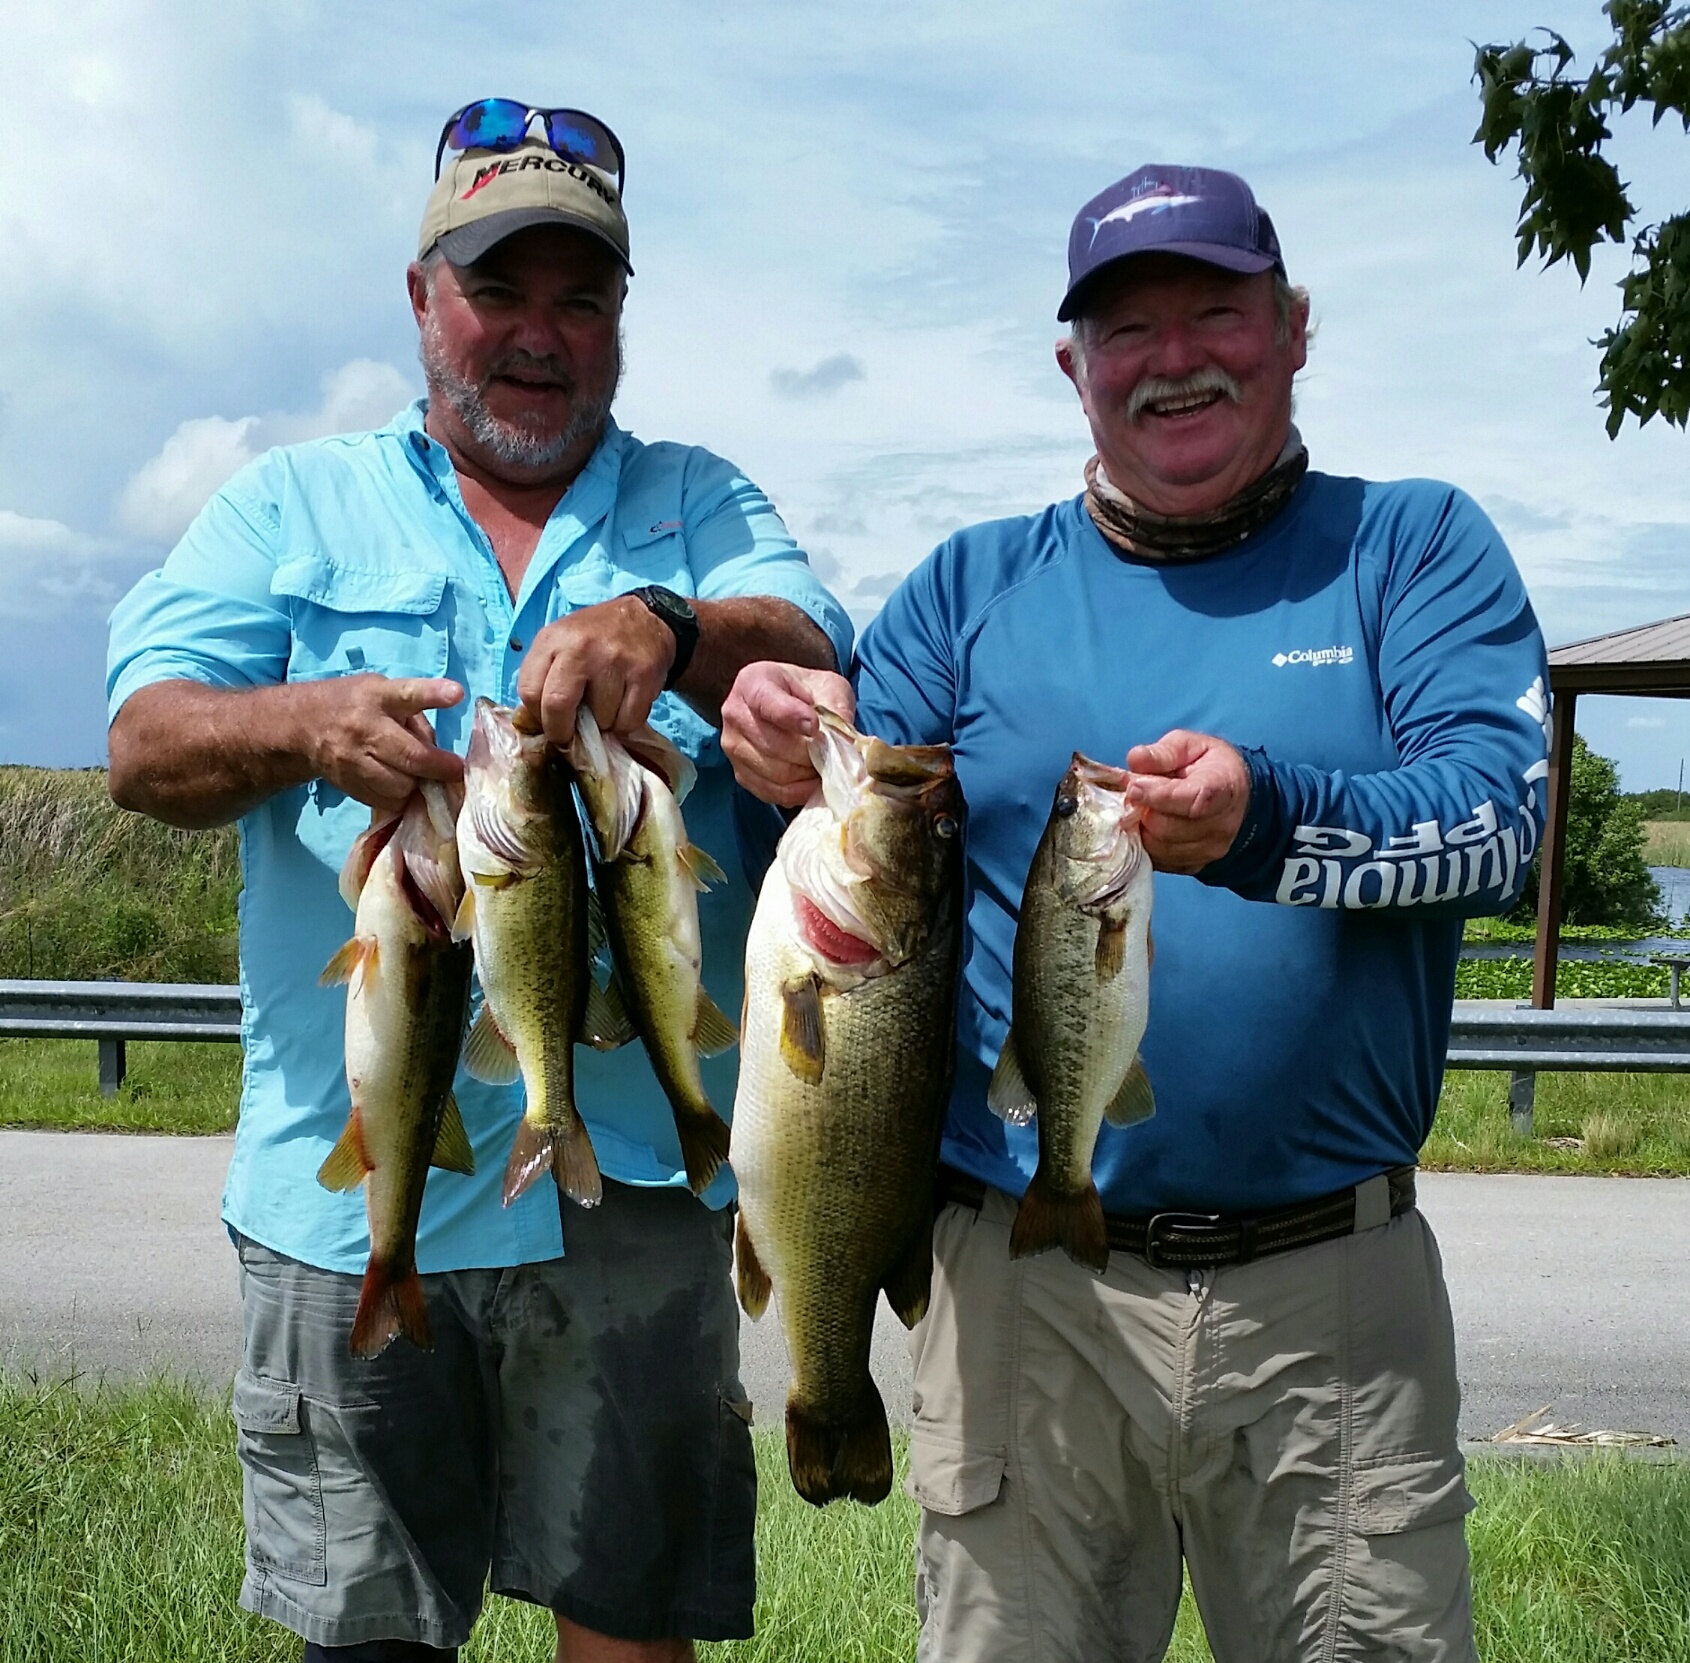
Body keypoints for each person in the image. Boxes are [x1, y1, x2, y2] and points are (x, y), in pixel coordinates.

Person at [722, 163, 1550, 1662]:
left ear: (1293, 328)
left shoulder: (1411, 550)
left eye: (1213, 311)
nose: (1173, 358)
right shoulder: (969, 585)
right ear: (1072, 369)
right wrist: (790, 734)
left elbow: (1497, 828)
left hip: (1330, 1306)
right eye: (1126, 329)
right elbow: (854, 804)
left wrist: (1266, 819)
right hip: (1025, 1293)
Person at [107, 99, 852, 1663]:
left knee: (630, 1623)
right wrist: (301, 723)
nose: (539, 335)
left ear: (621, 319)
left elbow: (815, 650)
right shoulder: (285, 505)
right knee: (367, 1637)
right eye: (498, 290)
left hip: (640, 1182)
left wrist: (674, 624)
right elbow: (146, 745)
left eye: (580, 298)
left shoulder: (698, 503)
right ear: (419, 296)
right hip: (359, 1177)